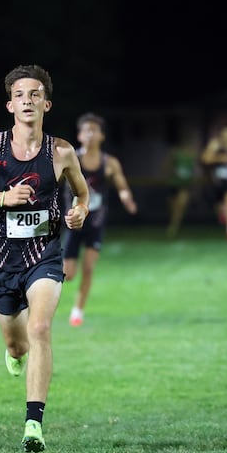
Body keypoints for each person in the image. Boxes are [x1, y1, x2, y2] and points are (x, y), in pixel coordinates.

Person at [0, 64, 90, 453]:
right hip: (2, 258)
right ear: (10, 105)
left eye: (35, 94)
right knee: (17, 345)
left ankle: (33, 424)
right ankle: (13, 352)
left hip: (45, 254)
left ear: (47, 103)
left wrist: (80, 211)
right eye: (20, 95)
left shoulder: (61, 151)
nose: (28, 100)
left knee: (40, 328)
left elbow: (81, 193)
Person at [62, 112, 137, 327]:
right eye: (86, 130)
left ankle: (78, 311)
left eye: (94, 130)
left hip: (96, 222)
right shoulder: (71, 159)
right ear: (79, 135)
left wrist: (127, 199)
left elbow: (122, 186)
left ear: (102, 136)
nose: (90, 134)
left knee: (89, 267)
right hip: (74, 220)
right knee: (68, 274)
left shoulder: (109, 162)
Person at [161, 138, 197, 239]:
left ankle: (173, 227)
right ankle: (174, 224)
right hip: (173, 183)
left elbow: (193, 168)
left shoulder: (192, 153)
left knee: (181, 205)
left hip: (185, 185)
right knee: (173, 207)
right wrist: (171, 173)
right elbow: (166, 165)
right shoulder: (174, 152)